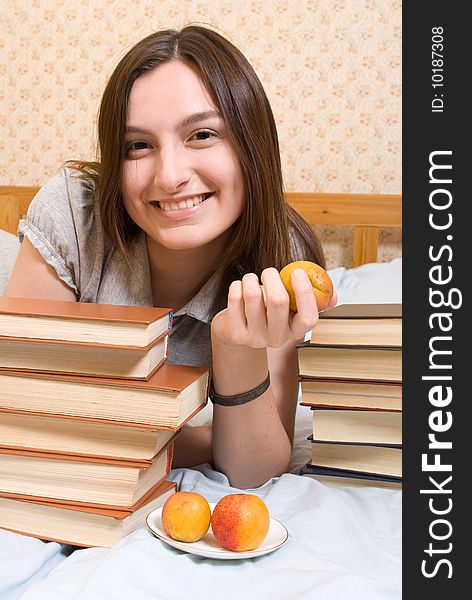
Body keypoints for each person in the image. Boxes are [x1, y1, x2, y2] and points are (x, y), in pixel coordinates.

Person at [6, 25, 337, 489]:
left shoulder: (282, 257)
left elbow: (255, 468)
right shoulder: (73, 213)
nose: (170, 176)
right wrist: (204, 440)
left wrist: (235, 348)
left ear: (251, 145)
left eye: (202, 134)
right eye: (138, 146)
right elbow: (20, 415)